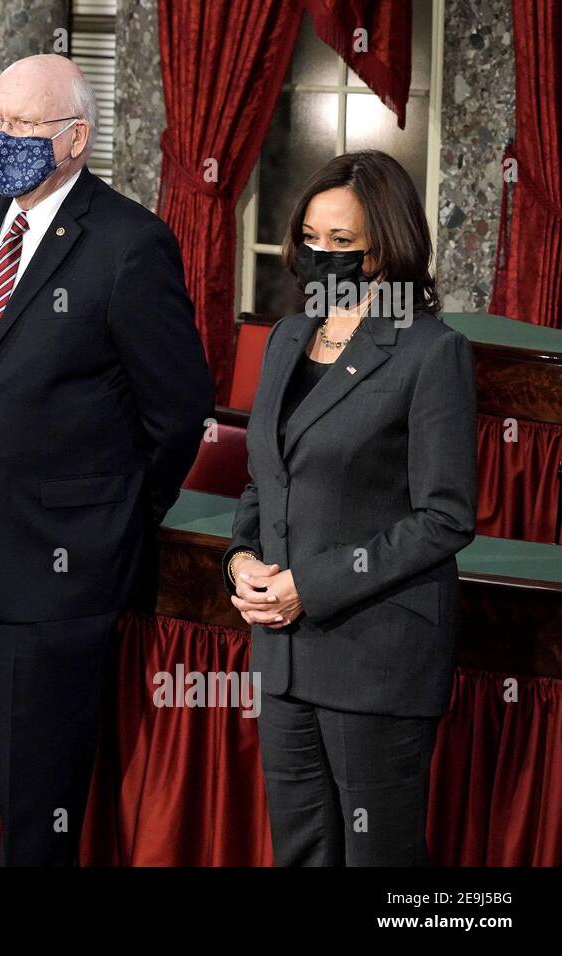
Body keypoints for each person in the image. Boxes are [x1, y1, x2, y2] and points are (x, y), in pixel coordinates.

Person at [0, 54, 213, 866]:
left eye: (22, 124)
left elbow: (177, 410)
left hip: (56, 572)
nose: (0, 137)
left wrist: (111, 521)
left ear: (76, 138)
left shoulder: (130, 245)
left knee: (35, 805)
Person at [222, 150, 477, 866]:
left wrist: (315, 583)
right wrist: (240, 561)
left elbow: (446, 516)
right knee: (300, 853)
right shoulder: (285, 339)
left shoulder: (432, 352)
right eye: (309, 237)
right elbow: (261, 480)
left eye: (341, 243)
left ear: (387, 248)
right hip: (283, 654)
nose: (318, 255)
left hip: (375, 659)